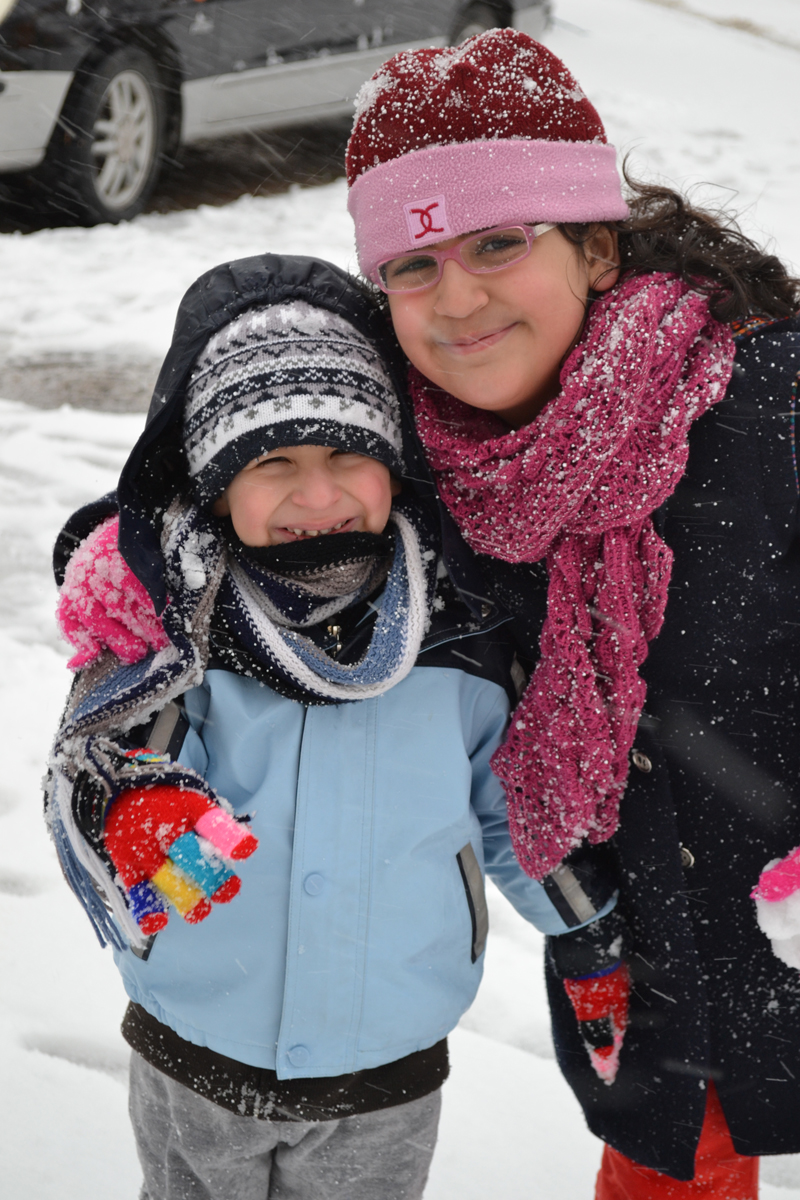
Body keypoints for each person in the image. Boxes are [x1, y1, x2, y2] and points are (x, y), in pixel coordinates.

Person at [46, 255, 616, 1200]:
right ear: (216, 487)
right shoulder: (179, 625)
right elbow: (104, 761)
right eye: (272, 465)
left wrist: (589, 936)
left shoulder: (461, 632)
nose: (318, 497)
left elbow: (521, 812)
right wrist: (134, 811)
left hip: (385, 1062)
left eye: (349, 456)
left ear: (394, 463)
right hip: (198, 1040)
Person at [343, 28, 800, 1199]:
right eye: (413, 263)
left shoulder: (766, 406)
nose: (458, 298)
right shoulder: (416, 462)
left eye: (498, 243)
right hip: (645, 973)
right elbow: (232, 486)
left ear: (595, 248)